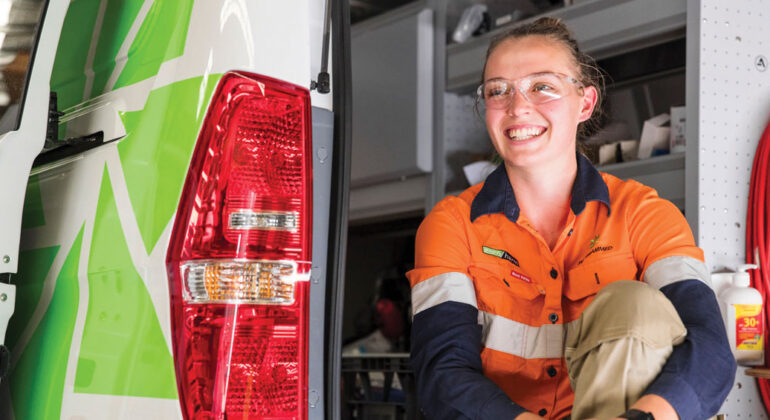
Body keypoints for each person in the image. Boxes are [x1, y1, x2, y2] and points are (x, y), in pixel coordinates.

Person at [407, 17, 736, 420]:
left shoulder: (645, 214)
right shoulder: (451, 225)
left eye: (542, 86)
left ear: (584, 103)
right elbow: (443, 374)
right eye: (498, 91)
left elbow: (711, 351)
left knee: (633, 303)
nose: (517, 107)